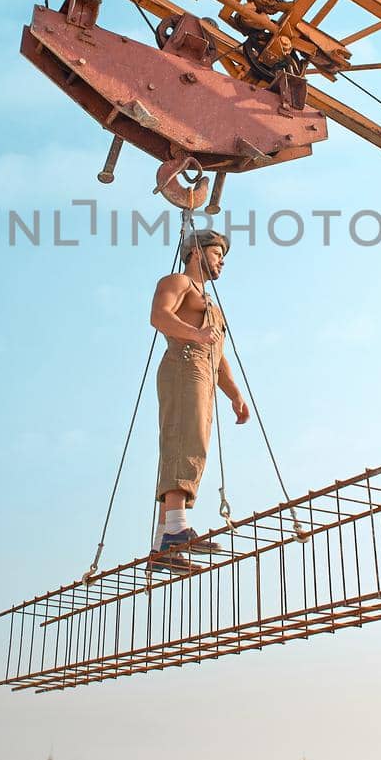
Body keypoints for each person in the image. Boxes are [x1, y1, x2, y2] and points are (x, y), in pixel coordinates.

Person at [149, 227, 250, 556]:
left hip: (204, 371)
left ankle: (164, 544)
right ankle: (176, 529)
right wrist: (196, 334)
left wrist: (234, 394)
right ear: (196, 252)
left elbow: (218, 358)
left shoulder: (211, 304)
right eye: (218, 254)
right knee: (183, 438)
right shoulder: (178, 283)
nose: (222, 263)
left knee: (195, 441)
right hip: (184, 363)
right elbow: (159, 316)